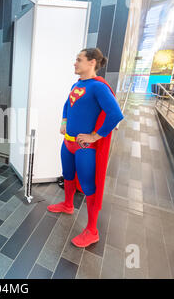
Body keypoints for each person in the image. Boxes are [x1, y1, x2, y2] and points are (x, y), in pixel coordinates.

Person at [47, 48, 124, 248]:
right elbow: (67, 104)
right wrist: (64, 120)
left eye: (79, 60)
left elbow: (115, 114)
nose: (75, 63)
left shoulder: (98, 87)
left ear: (92, 62)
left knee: (89, 186)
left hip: (84, 148)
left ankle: (92, 230)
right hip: (68, 142)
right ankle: (68, 205)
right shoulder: (77, 84)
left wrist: (94, 136)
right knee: (68, 175)